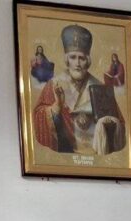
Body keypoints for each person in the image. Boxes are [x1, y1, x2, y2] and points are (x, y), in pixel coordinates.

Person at [32, 24, 125, 155]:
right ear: (67, 60)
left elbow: (120, 123)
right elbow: (38, 115)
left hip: (95, 153)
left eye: (81, 58)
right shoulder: (54, 84)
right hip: (65, 151)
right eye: (73, 57)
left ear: (88, 61)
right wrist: (56, 106)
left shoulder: (100, 88)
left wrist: (108, 123)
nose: (77, 63)